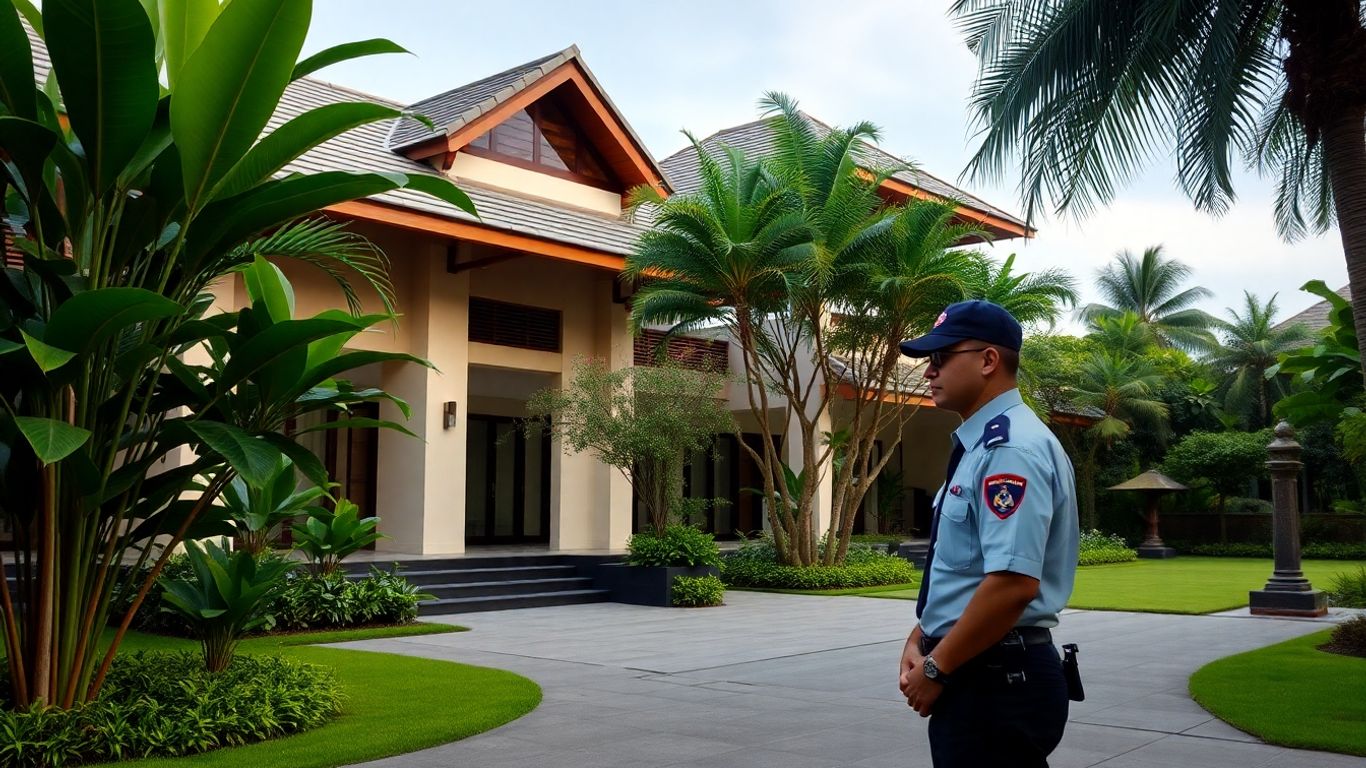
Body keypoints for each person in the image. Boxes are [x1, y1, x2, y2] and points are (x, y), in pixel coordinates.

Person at [895, 299, 1080, 768]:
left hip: (995, 680)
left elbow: (1013, 584)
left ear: (988, 360)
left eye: (941, 358)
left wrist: (936, 666)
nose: (928, 371)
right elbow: (967, 570)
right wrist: (922, 636)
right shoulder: (984, 445)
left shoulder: (1008, 449)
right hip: (983, 670)